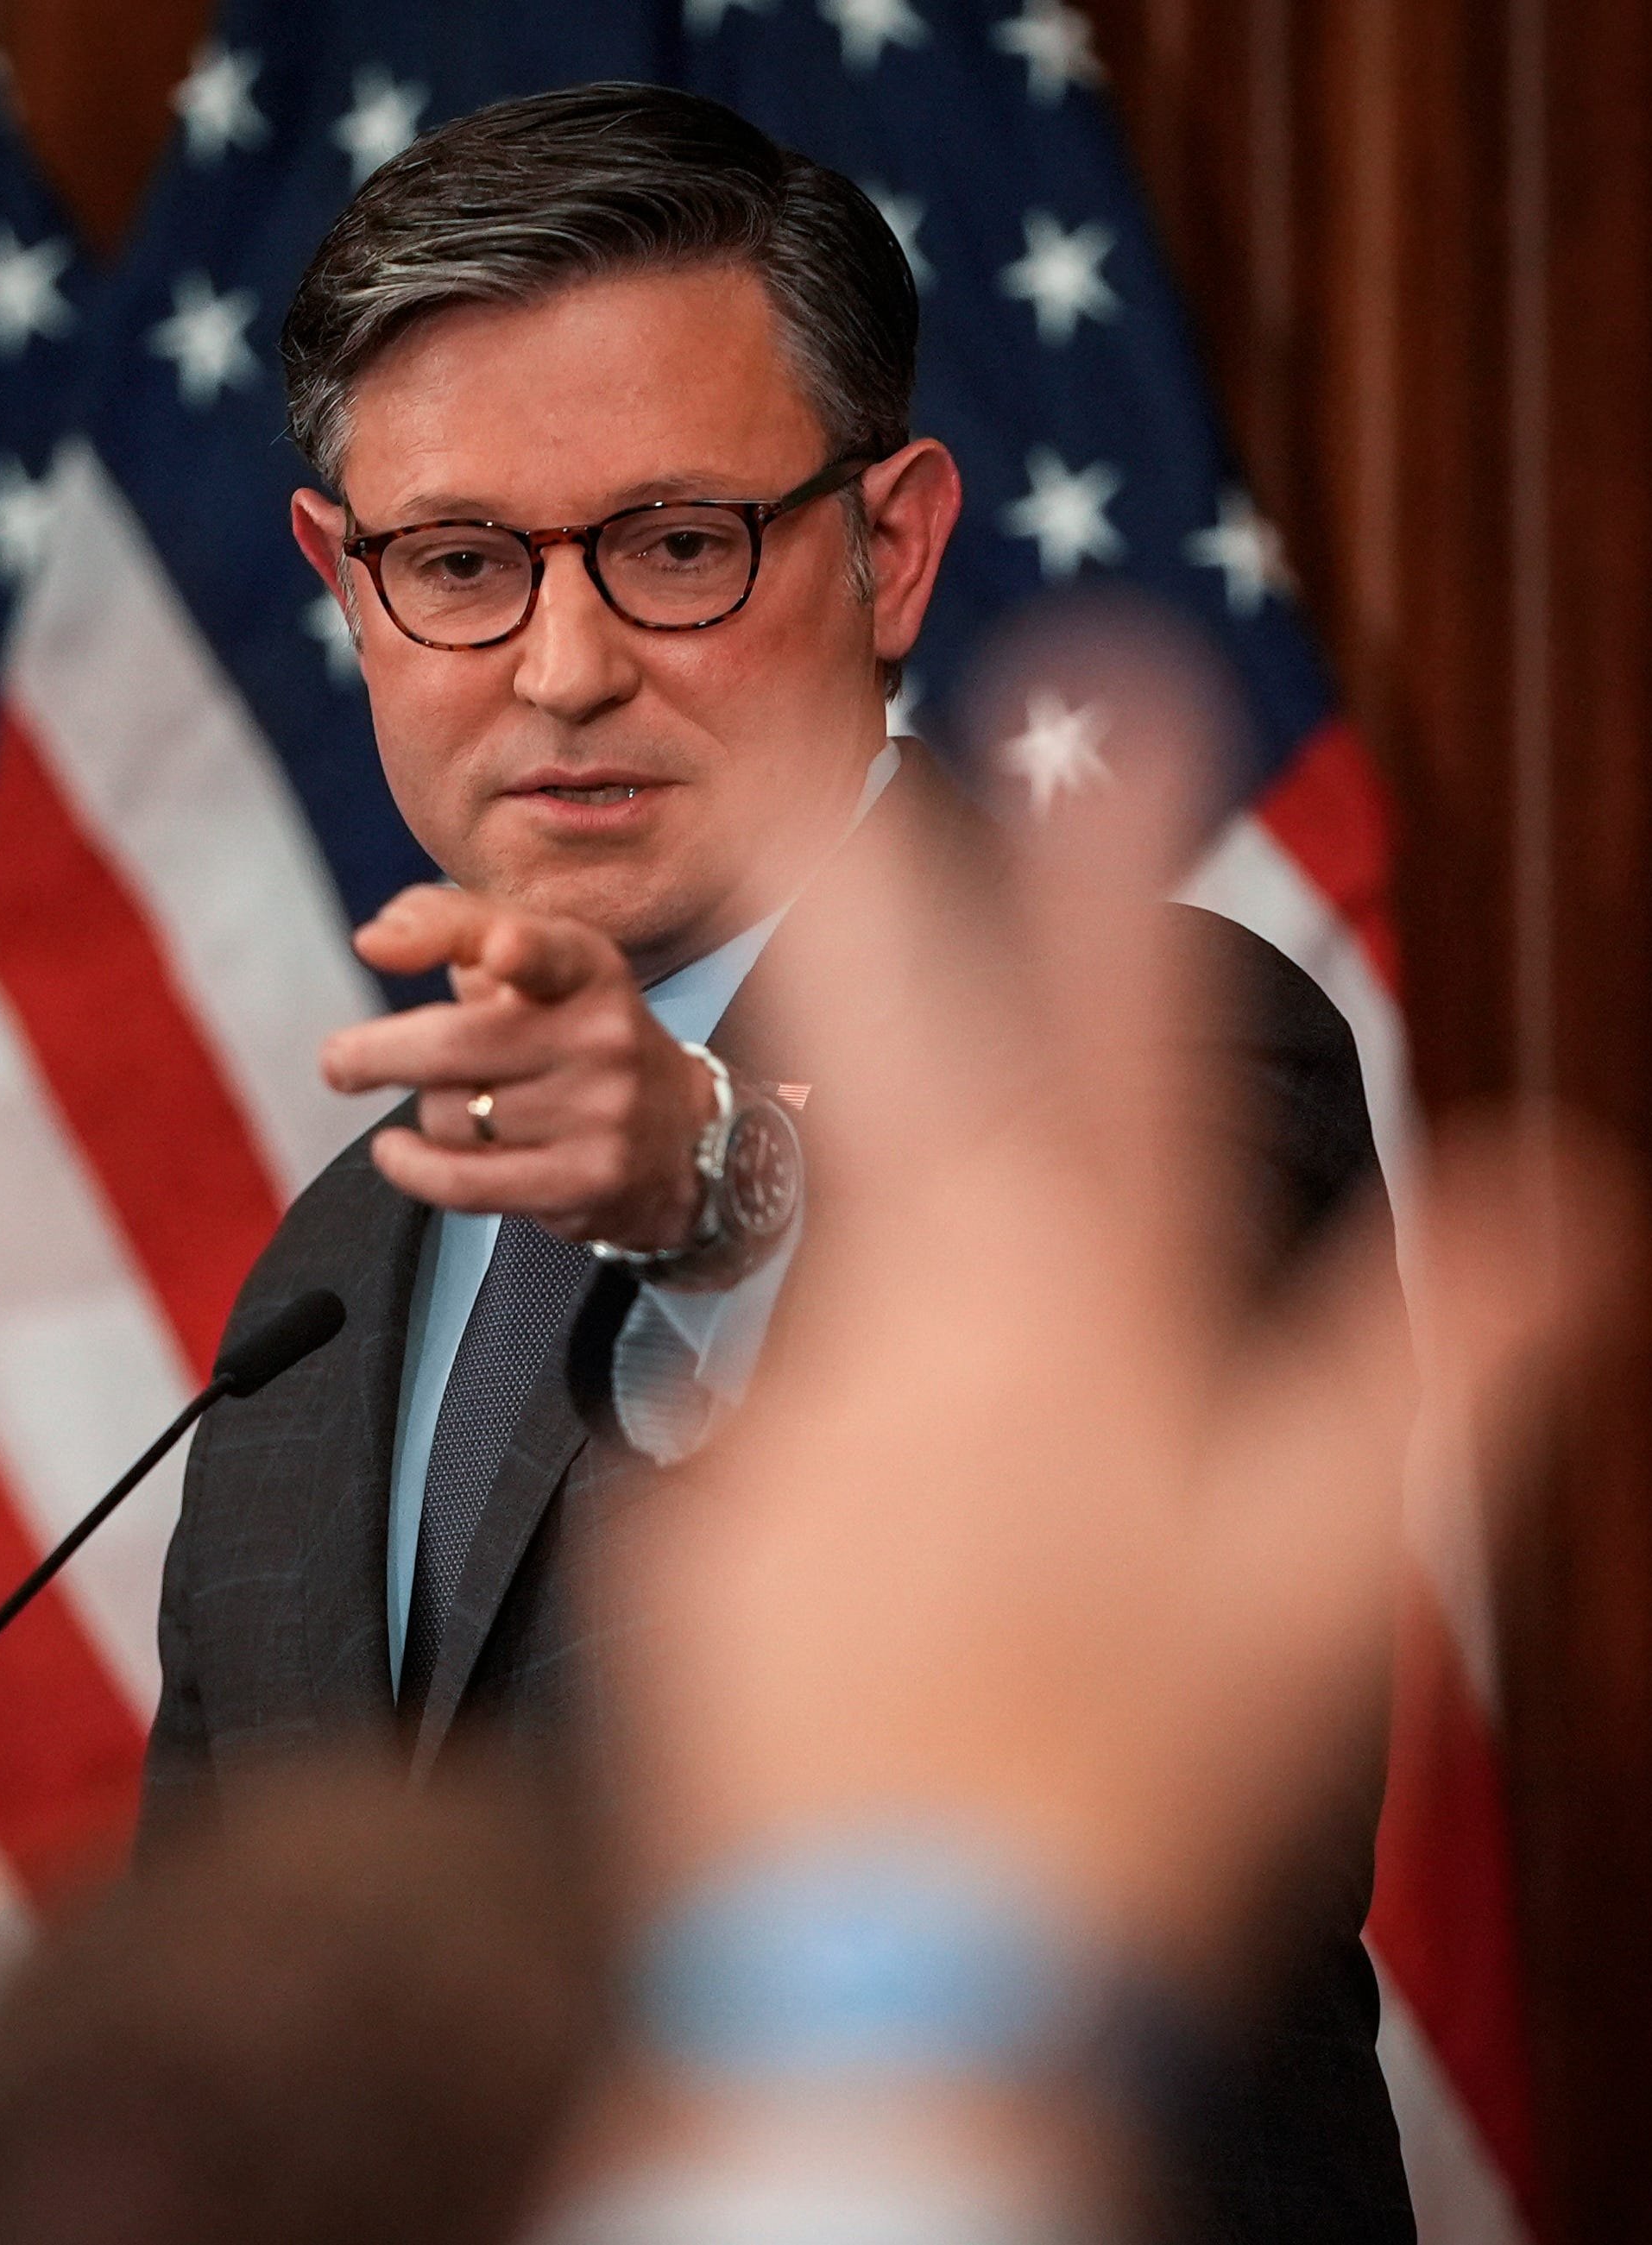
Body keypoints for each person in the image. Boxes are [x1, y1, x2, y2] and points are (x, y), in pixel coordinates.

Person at [143, 80, 1411, 2236]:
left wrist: (712, 1193)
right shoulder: (334, 1269)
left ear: (890, 545)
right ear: (344, 583)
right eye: (459, 564)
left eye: (673, 545)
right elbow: (221, 2018)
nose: (563, 668)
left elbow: (1134, 1828)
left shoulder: (1177, 1056)